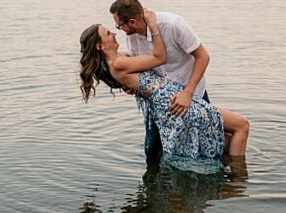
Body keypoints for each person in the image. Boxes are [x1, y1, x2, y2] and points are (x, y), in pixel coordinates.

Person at [79, 10, 250, 163]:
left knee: (223, 138)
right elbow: (160, 57)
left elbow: (135, 73)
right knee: (241, 126)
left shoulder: (117, 61)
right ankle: (237, 178)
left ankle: (229, 180)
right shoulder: (118, 63)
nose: (114, 33)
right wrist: (154, 27)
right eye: (108, 33)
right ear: (100, 46)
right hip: (176, 102)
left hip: (172, 101)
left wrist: (131, 86)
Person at [110, 0, 215, 159]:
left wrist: (188, 94)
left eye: (119, 25)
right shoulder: (132, 36)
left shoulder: (173, 24)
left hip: (192, 94)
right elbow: (144, 64)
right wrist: (133, 85)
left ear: (132, 22)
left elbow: (203, 57)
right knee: (153, 149)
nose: (119, 29)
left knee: (204, 146)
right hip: (160, 101)